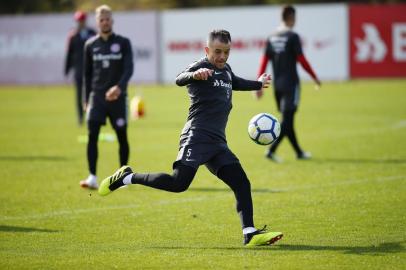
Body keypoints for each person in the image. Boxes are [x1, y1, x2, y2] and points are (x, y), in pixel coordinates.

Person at [98, 29, 283, 247]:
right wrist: (194, 75)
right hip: (195, 137)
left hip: (217, 143)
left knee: (241, 183)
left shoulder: (226, 70)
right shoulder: (200, 67)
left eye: (226, 52)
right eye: (217, 52)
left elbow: (234, 81)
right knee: (178, 183)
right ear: (207, 50)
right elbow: (179, 79)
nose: (222, 57)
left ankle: (249, 233)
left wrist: (258, 83)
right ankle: (126, 177)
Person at [256, 5, 321, 163]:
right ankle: (271, 151)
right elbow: (302, 60)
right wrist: (314, 77)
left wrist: (258, 84)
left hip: (277, 86)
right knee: (287, 120)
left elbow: (264, 61)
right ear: (291, 17)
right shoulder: (293, 36)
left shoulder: (271, 37)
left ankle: (299, 152)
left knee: (288, 119)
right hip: (291, 85)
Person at [79, 5, 134, 189]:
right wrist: (86, 99)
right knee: (92, 135)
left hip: (117, 99)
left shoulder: (123, 42)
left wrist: (119, 88)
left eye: (108, 19)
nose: (105, 22)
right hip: (97, 99)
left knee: (122, 136)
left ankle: (123, 177)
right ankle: (92, 177)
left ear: (112, 20)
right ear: (97, 22)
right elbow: (87, 75)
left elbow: (129, 69)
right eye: (101, 19)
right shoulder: (90, 45)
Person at [64, 11, 96, 125]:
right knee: (79, 95)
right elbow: (69, 54)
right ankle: (80, 118)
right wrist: (67, 70)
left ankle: (92, 116)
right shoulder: (72, 35)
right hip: (78, 70)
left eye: (82, 20)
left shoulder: (92, 33)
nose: (80, 22)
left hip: (92, 70)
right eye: (78, 21)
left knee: (92, 93)